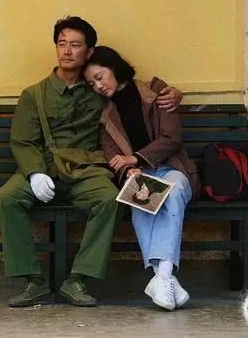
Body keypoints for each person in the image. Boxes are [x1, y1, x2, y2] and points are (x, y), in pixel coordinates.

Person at [0, 17, 183, 307]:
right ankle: (33, 281)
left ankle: (78, 280)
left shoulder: (99, 89)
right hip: (44, 168)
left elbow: (135, 95)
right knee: (5, 200)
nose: (66, 51)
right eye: (61, 44)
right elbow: (23, 141)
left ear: (89, 52)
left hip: (88, 170)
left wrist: (175, 95)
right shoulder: (34, 95)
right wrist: (34, 173)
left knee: (109, 200)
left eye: (75, 45)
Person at [83, 45, 200, 311]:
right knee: (140, 201)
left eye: (100, 77)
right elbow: (112, 155)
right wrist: (127, 171)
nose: (98, 86)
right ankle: (165, 280)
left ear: (114, 68)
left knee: (172, 191)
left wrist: (134, 159)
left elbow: (171, 138)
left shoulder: (157, 91)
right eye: (92, 84)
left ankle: (162, 276)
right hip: (142, 174)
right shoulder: (106, 115)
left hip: (173, 169)